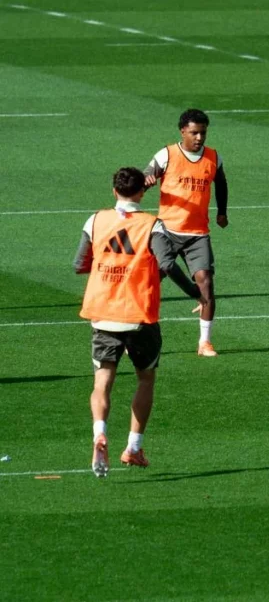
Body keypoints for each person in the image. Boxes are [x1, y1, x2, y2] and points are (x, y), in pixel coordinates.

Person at [75, 167, 203, 477]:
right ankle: (133, 447)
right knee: (145, 379)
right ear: (142, 193)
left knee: (102, 381)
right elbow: (168, 264)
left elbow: (79, 264)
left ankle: (99, 433)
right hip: (139, 315)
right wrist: (197, 293)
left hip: (103, 313)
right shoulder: (152, 225)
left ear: (113, 191)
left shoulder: (95, 220)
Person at [143, 109, 228, 357]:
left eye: (203, 132)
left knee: (206, 283)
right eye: (194, 132)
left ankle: (205, 342)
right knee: (148, 286)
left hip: (198, 234)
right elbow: (147, 174)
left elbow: (221, 184)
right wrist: (148, 178)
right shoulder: (167, 154)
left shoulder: (213, 157)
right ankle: (138, 336)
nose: (199, 137)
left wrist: (222, 212)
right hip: (166, 232)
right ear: (182, 131)